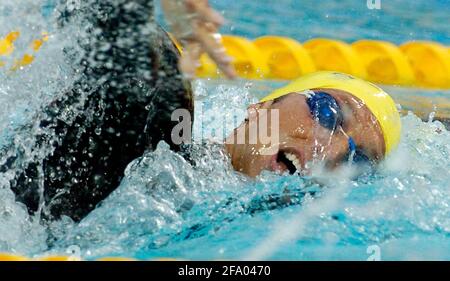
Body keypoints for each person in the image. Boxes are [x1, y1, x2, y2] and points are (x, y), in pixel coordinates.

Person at [2, 0, 401, 223]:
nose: (329, 149)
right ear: (261, 106)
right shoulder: (158, 122)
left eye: (356, 158)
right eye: (329, 114)